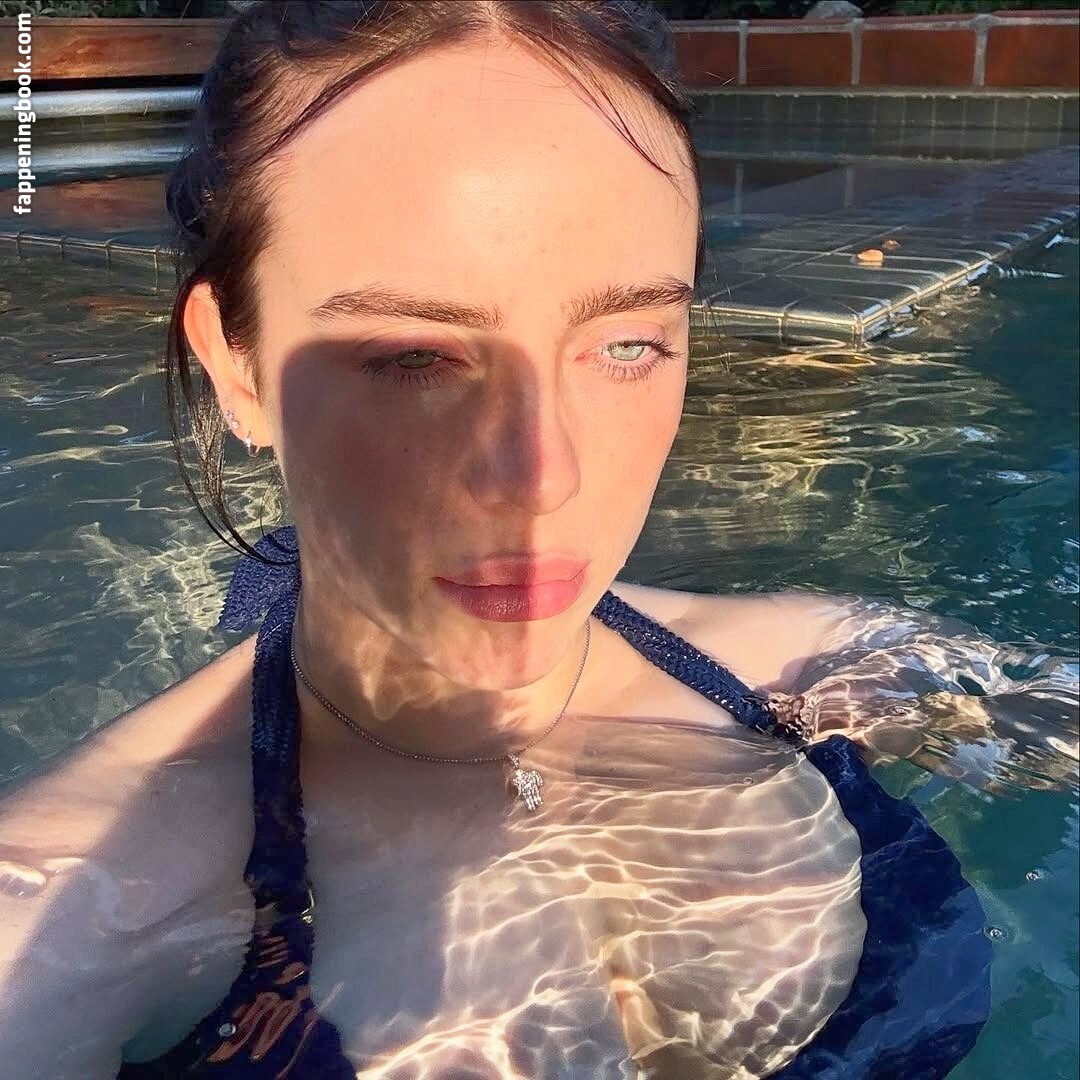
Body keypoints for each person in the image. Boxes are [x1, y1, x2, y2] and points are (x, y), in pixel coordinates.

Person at [14, 0, 1073, 1075]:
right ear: (237, 368)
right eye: (414, 356)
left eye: (628, 343)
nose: (541, 476)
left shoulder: (813, 668)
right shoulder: (73, 913)